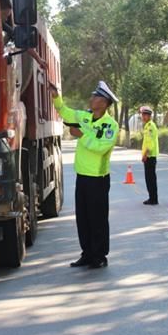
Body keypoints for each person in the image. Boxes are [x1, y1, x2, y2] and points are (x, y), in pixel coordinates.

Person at [51, 81, 119, 269]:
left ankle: (99, 256)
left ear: (104, 103)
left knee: (97, 219)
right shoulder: (85, 117)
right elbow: (65, 112)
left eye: (96, 97)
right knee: (83, 218)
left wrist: (82, 135)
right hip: (82, 177)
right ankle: (87, 253)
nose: (91, 99)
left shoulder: (110, 125)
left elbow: (101, 147)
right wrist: (56, 97)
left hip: (98, 179)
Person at [140, 105, 159, 205]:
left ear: (149, 116)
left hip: (150, 156)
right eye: (142, 115)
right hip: (149, 156)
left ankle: (153, 199)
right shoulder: (147, 126)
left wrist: (145, 155)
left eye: (144, 115)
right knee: (149, 178)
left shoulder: (150, 126)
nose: (143, 117)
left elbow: (150, 143)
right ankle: (152, 197)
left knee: (150, 179)